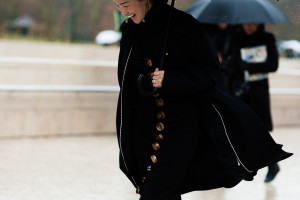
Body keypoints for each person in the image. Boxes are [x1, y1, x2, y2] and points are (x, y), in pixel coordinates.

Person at [114, 0, 292, 199]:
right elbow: (127, 82)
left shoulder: (184, 25)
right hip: (144, 130)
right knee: (161, 191)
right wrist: (144, 83)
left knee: (158, 191)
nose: (123, 11)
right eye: (117, 5)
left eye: (125, 3)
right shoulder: (130, 29)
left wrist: (171, 79)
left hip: (179, 129)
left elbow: (209, 74)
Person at [225, 23, 281, 183]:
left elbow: (273, 65)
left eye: (253, 23)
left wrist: (250, 65)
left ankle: (271, 164)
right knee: (240, 128)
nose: (250, 26)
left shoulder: (267, 38)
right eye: (247, 22)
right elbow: (228, 62)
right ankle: (255, 165)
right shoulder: (235, 37)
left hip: (258, 90)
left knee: (261, 129)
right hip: (238, 89)